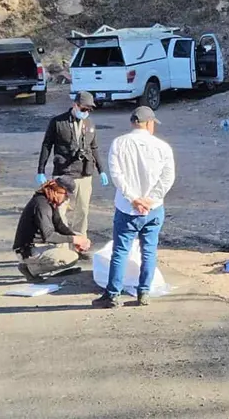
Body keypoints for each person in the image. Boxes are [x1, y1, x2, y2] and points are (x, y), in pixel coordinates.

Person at [92, 106, 175, 309]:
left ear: (133, 123)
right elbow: (167, 177)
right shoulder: (162, 147)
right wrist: (151, 199)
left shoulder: (119, 143)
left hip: (127, 208)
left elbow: (116, 175)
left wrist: (134, 199)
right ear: (149, 123)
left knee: (120, 251)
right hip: (154, 209)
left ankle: (112, 295)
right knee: (149, 250)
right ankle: (144, 292)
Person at [37, 91, 108, 239]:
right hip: (64, 173)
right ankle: (62, 241)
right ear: (75, 105)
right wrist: (41, 170)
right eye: (83, 109)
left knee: (82, 210)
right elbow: (47, 145)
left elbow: (94, 148)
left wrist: (101, 170)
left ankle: (79, 241)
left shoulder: (90, 124)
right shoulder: (58, 122)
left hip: (84, 173)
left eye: (89, 110)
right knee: (60, 209)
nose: (86, 112)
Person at [12, 176, 93, 281]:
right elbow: (48, 235)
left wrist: (77, 239)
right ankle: (30, 268)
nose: (66, 199)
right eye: (66, 195)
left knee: (67, 245)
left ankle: (38, 264)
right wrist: (73, 240)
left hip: (38, 245)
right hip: (27, 250)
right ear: (58, 191)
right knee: (70, 258)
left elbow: (59, 225)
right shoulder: (41, 205)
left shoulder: (49, 201)